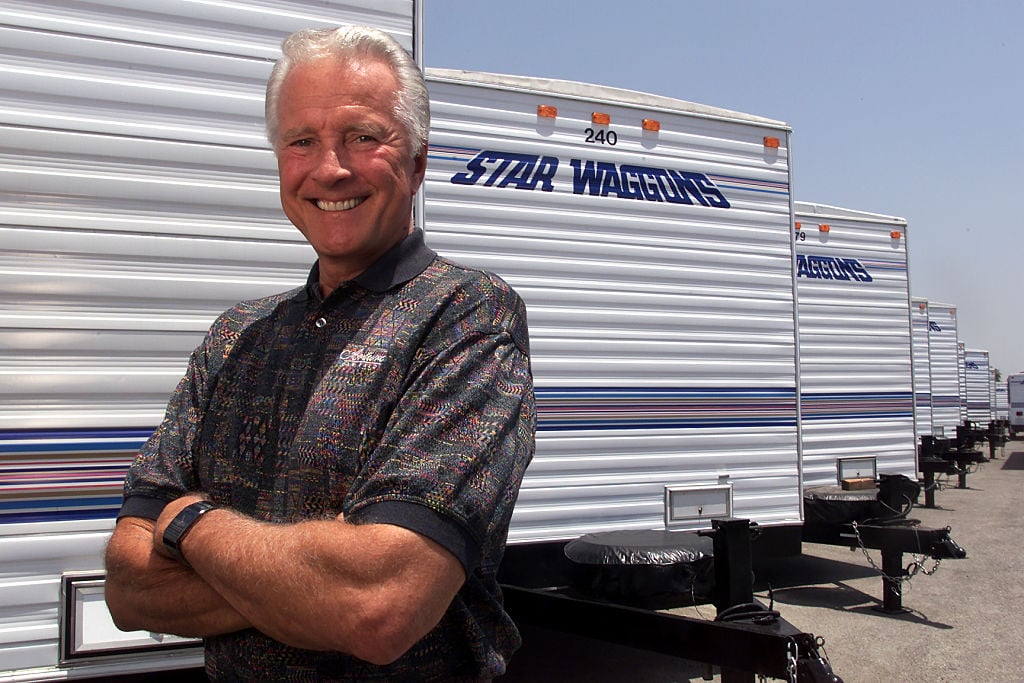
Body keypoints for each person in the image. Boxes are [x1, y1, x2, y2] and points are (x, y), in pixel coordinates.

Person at [103, 24, 536, 682]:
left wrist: (190, 520)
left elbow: (377, 606)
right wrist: (312, 580)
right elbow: (129, 586)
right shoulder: (236, 336)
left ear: (417, 162)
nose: (329, 167)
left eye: (362, 137)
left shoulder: (467, 316)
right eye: (301, 140)